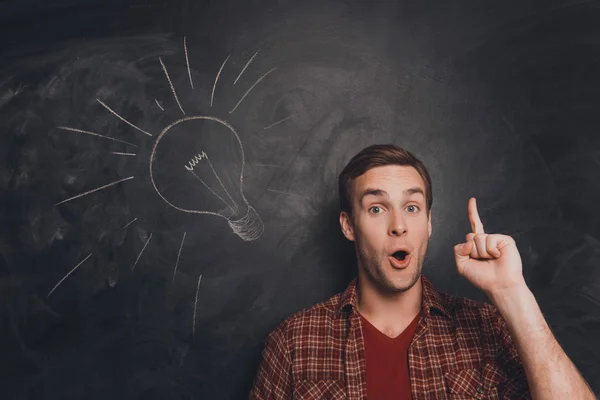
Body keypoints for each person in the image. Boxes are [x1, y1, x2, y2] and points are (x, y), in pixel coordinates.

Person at [249, 144, 596, 399]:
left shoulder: (490, 327)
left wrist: (512, 294)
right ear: (348, 225)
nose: (398, 225)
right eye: (376, 208)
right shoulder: (293, 344)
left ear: (428, 223)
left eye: (412, 207)